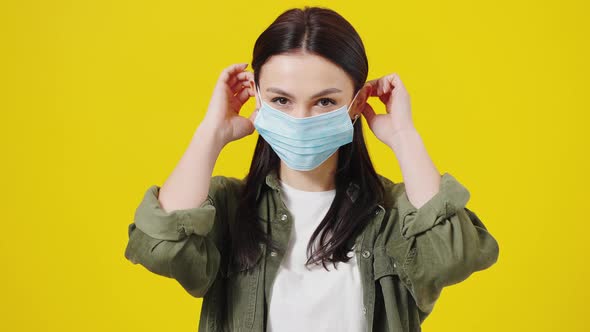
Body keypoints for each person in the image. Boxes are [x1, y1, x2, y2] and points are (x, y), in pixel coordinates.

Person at [124, 6, 500, 332]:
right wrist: (211, 133)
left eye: (324, 101)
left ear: (356, 104)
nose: (300, 118)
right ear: (257, 98)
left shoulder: (395, 215)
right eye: (281, 100)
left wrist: (404, 136)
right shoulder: (228, 209)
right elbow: (160, 247)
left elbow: (456, 256)